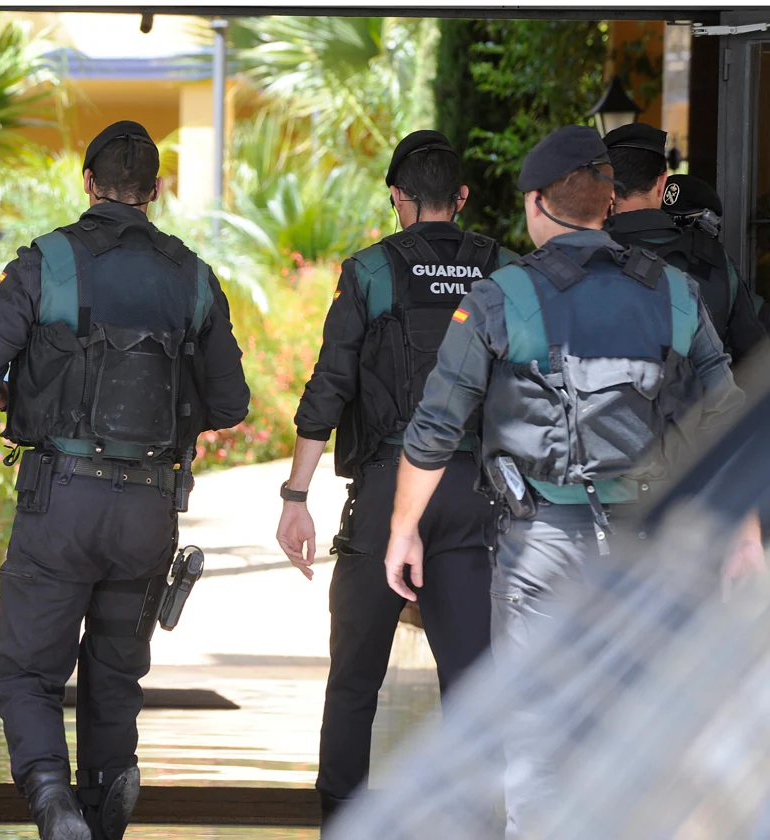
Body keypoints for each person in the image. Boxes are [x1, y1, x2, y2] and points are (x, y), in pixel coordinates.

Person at [382, 125, 754, 838]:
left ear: (534, 205)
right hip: (649, 549)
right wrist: (743, 534)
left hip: (541, 545)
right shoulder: (674, 294)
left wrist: (404, 531)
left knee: (535, 726)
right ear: (609, 204)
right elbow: (725, 421)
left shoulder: (501, 298)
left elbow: (434, 428)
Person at [0, 120, 249, 840]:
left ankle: (52, 798)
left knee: (25, 673)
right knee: (115, 676)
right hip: (148, 508)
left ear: (88, 185)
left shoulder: (46, 262)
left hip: (61, 500)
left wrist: (28, 405)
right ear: (156, 192)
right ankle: (108, 803)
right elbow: (231, 404)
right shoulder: (192, 275)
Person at [274, 129, 519, 832]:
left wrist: (296, 496)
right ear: (463, 197)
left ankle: (340, 820)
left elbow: (330, 387)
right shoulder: (503, 272)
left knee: (355, 677)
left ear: (398, 199)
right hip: (476, 494)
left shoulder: (373, 271)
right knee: (473, 683)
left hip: (388, 490)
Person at [602, 123, 767, 373]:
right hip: (702, 409)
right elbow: (756, 362)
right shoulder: (714, 261)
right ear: (661, 184)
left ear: (607, 187)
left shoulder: (585, 253)